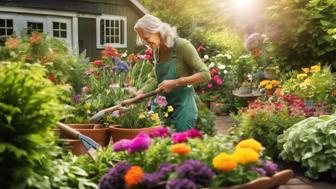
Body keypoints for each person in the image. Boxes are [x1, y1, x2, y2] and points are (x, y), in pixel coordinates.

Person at [129, 14, 210, 132]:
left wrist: (176, 82)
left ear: (157, 30)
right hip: (161, 106)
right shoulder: (157, 51)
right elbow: (155, 78)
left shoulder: (182, 46)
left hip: (182, 108)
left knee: (179, 146)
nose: (146, 44)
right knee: (156, 145)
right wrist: (142, 92)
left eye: (146, 38)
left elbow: (205, 74)